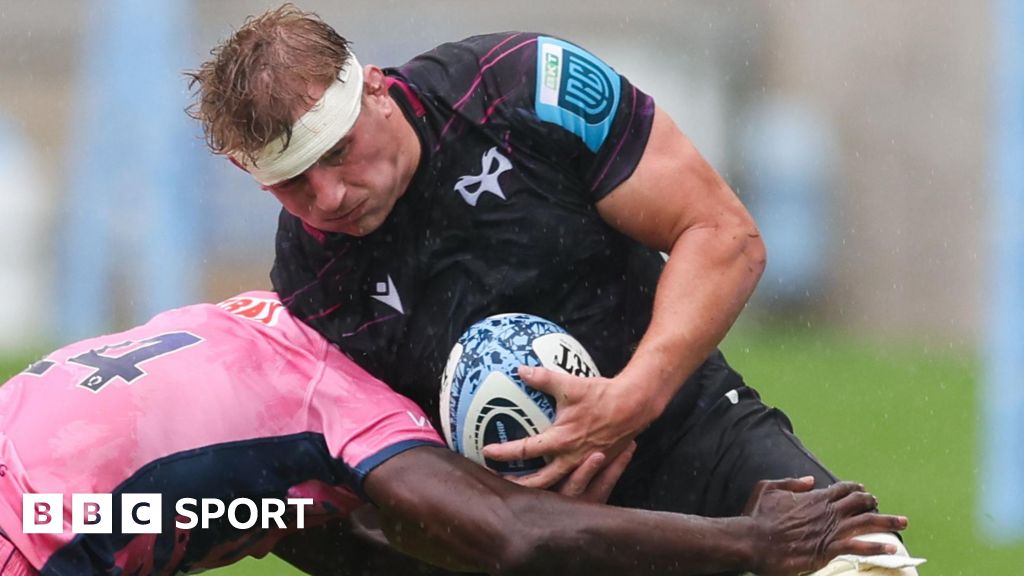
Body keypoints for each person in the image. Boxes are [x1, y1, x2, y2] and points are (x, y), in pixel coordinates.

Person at [186, 5, 922, 574]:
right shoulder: (312, 284)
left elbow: (723, 236)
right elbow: (388, 485)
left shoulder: (520, 88)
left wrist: (633, 397)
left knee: (865, 564)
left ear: (374, 87)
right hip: (554, 533)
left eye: (338, 152)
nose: (330, 197)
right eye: (290, 184)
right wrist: (506, 511)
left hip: (695, 432)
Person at [0, 291, 904, 575]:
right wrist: (749, 541)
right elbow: (510, 533)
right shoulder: (348, 406)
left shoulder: (241, 316)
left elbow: (229, 502)